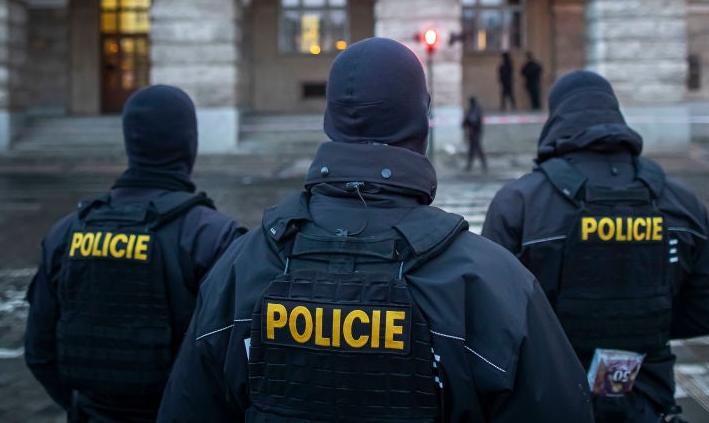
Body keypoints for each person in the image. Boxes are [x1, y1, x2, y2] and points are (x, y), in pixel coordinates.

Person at [158, 38, 593, 423]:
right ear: (421, 121)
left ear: (330, 121)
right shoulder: (491, 280)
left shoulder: (241, 266)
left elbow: (187, 407)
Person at [482, 71, 709, 423]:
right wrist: (644, 323)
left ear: (556, 118)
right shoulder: (680, 200)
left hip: (548, 400)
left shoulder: (519, 203)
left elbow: (489, 322)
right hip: (647, 399)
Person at [24, 85, 247, 423]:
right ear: (189, 143)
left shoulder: (66, 231)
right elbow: (241, 361)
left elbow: (39, 353)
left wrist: (87, 408)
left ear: (130, 142)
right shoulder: (214, 236)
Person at [461, 95, 488, 171]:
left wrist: (466, 122)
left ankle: (472, 166)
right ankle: (474, 165)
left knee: (475, 149)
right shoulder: (474, 110)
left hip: (475, 133)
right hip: (474, 133)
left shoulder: (475, 110)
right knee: (474, 149)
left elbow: (472, 120)